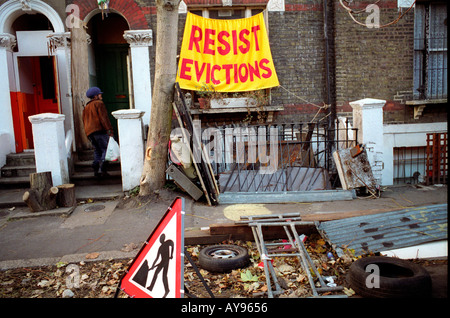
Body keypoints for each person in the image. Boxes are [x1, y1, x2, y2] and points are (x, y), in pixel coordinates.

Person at [82, 87, 114, 177]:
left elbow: (84, 120)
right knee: (106, 149)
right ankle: (102, 168)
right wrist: (109, 130)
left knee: (97, 150)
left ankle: (96, 167)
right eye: (100, 94)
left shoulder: (86, 107)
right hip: (99, 130)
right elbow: (104, 118)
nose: (101, 95)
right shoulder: (99, 104)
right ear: (95, 96)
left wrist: (87, 134)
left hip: (90, 132)